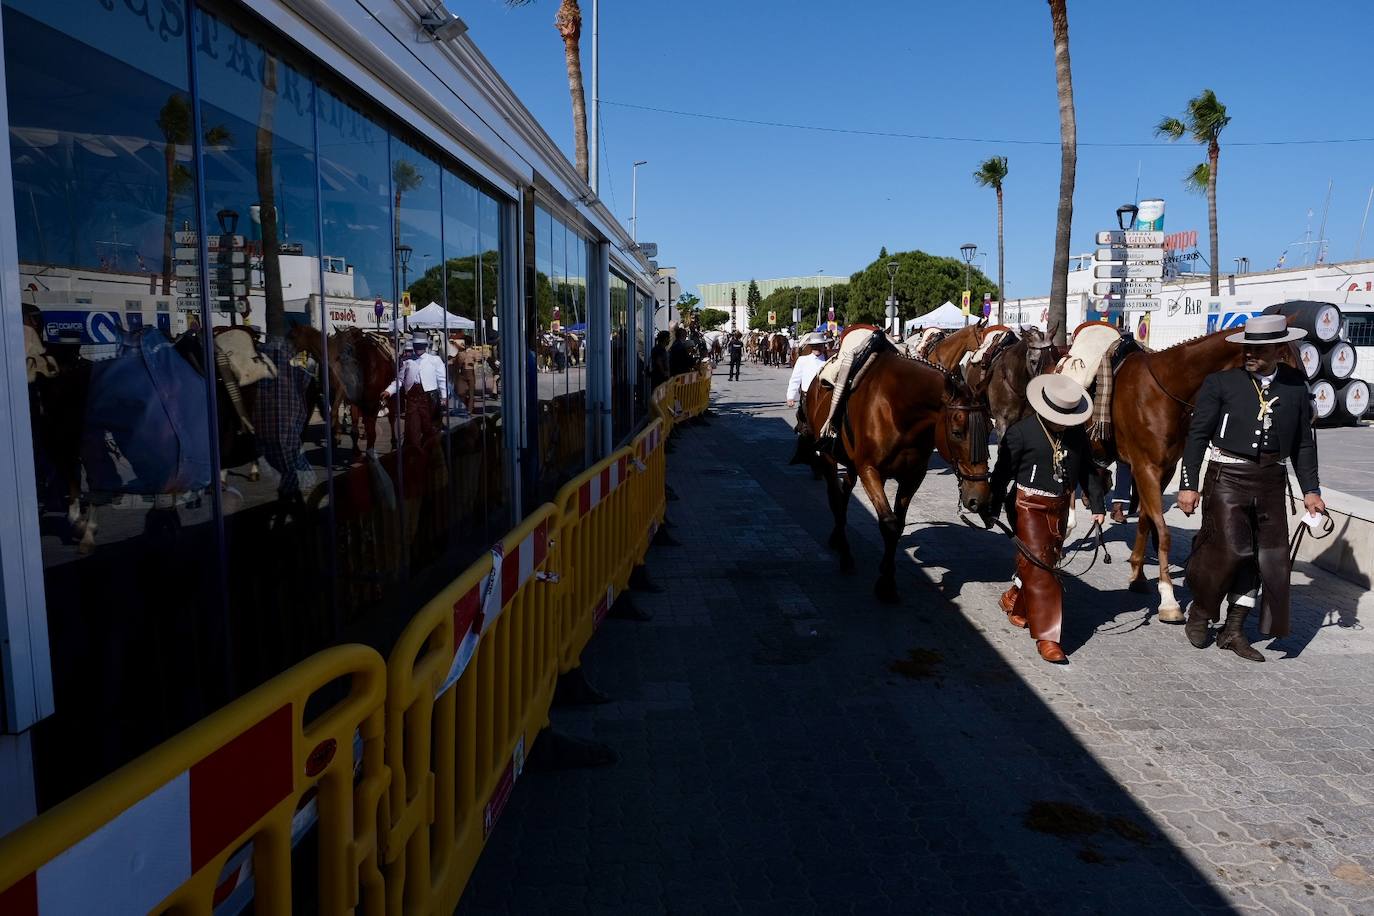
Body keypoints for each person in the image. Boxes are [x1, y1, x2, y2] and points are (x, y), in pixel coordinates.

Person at [1177, 314, 1323, 662]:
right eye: (1247, 348)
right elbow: (1196, 436)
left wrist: (1311, 490)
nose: (1250, 355)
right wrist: (1188, 485)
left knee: (1266, 559)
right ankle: (1201, 610)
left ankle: (1234, 630)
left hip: (1272, 480)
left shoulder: (1295, 386)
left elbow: (1304, 443)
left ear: (1277, 348)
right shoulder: (1220, 383)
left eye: (1258, 349)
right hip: (1227, 477)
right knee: (1228, 551)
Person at [990, 375, 1106, 664]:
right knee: (1042, 568)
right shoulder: (1020, 433)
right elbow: (1002, 473)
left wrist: (1097, 505)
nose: (1064, 423)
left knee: (1043, 562)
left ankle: (1016, 603)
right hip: (1027, 505)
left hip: (1060, 506)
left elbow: (1089, 472)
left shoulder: (1077, 435)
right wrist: (991, 504)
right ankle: (1049, 638)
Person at [386, 329, 447, 419]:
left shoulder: (435, 360)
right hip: (413, 397)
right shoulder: (407, 361)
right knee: (413, 426)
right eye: (416, 346)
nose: (418, 348)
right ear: (413, 346)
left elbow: (442, 379)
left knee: (430, 426)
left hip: (429, 397)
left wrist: (444, 396)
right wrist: (389, 390)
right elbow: (399, 380)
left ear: (425, 346)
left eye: (421, 346)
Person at [785, 332, 829, 409]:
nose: (817, 348)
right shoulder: (803, 360)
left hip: (824, 397)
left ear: (823, 346)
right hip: (807, 397)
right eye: (814, 346)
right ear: (811, 347)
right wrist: (790, 397)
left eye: (820, 345)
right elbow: (795, 379)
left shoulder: (828, 360)